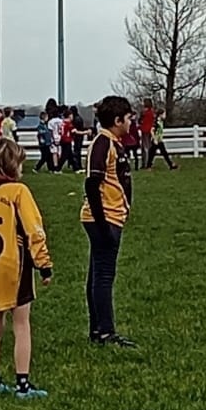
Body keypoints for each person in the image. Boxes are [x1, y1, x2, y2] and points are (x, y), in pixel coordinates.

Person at [0, 137, 53, 400]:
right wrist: (44, 264)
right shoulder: (19, 192)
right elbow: (34, 229)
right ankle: (23, 385)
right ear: (12, 166)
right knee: (21, 324)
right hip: (14, 263)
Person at [80, 96, 137, 347]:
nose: (131, 121)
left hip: (110, 216)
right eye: (128, 117)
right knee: (104, 277)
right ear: (117, 120)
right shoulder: (102, 142)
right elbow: (92, 183)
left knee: (97, 275)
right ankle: (106, 332)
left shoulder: (113, 142)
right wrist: (102, 223)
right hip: (104, 218)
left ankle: (97, 330)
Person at [147, 106, 176, 170]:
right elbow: (151, 130)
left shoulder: (161, 122)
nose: (165, 116)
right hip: (156, 141)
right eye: (164, 114)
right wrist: (154, 139)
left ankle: (170, 165)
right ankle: (149, 166)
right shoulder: (156, 122)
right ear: (160, 115)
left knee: (160, 153)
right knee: (153, 154)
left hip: (159, 140)